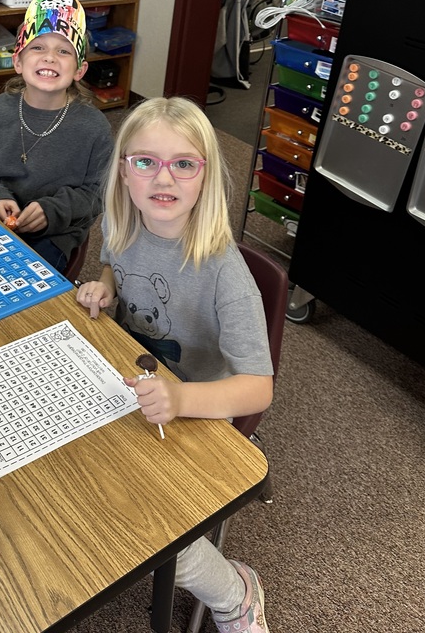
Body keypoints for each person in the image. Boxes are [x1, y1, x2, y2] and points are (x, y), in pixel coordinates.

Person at [75, 96, 273, 633]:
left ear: (205, 177)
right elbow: (114, 266)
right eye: (146, 161)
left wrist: (182, 399)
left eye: (183, 163)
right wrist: (105, 288)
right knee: (77, 478)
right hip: (139, 385)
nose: (164, 178)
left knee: (160, 540)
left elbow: (258, 389)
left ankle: (236, 594)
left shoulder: (225, 274)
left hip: (198, 407)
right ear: (124, 172)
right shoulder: (126, 223)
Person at [0, 0, 113, 273]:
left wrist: (52, 211)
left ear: (79, 70)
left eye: (63, 51)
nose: (50, 58)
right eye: (38, 47)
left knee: (26, 279)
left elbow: (98, 193)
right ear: (18, 61)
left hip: (56, 233)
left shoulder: (94, 127)